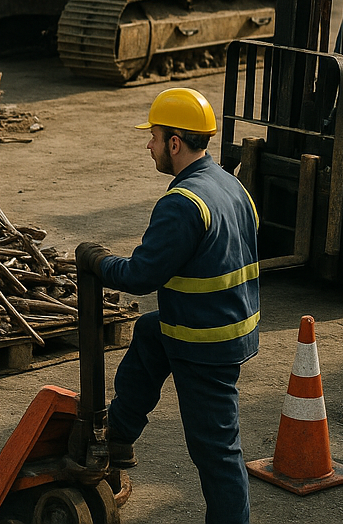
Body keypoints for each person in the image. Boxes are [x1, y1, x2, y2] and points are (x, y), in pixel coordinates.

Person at [76, 87, 259, 524]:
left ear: (175, 143)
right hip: (227, 324)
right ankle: (119, 435)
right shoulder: (231, 186)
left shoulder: (183, 204)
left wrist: (98, 261)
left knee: (215, 452)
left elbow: (141, 275)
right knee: (149, 333)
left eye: (154, 136)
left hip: (205, 343)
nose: (149, 144)